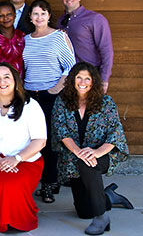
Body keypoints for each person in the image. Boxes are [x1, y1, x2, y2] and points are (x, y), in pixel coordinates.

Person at [52, 62, 130, 235]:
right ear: (72, 79)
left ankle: (101, 217)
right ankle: (108, 196)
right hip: (75, 155)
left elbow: (115, 132)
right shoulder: (62, 100)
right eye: (79, 77)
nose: (83, 82)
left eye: (87, 78)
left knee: (87, 165)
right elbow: (60, 130)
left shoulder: (105, 101)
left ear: (93, 81)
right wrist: (79, 152)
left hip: (102, 153)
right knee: (84, 212)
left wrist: (95, 152)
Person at [0, 63, 46, 232]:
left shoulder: (31, 105)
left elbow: (40, 141)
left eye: (6, 77)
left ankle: (16, 219)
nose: (2, 81)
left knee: (8, 184)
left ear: (15, 80)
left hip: (25, 162)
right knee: (0, 183)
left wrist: (16, 159)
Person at [22, 0, 76, 203]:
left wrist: (57, 87)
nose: (39, 17)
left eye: (43, 13)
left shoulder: (58, 37)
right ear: (30, 17)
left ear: (49, 15)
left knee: (48, 141)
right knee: (31, 139)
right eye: (35, 13)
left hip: (50, 95)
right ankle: (32, 182)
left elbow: (71, 66)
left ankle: (49, 184)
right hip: (29, 95)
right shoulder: (26, 39)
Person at [59, 0, 113, 93]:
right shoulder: (60, 21)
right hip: (68, 77)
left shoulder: (95, 19)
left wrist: (104, 79)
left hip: (91, 75)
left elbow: (106, 50)